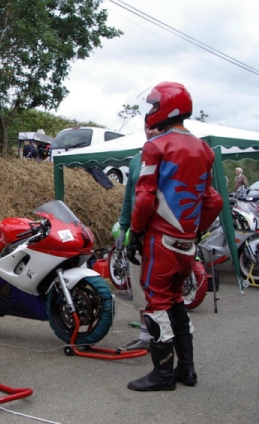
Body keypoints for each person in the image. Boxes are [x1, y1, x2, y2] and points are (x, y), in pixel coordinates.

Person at [127, 82, 223, 392]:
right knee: (176, 300)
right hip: (187, 243)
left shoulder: (155, 146)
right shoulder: (204, 149)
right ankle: (187, 371)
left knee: (156, 302)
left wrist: (136, 233)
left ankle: (163, 374)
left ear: (165, 108)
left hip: (160, 239)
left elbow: (143, 198)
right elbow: (214, 200)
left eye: (154, 105)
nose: (150, 111)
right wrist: (194, 231)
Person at [116, 123, 163, 351]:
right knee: (139, 283)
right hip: (138, 235)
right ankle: (145, 335)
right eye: (148, 127)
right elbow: (129, 199)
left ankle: (162, 337)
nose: (151, 131)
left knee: (162, 289)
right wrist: (124, 228)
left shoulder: (170, 157)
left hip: (162, 234)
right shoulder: (136, 160)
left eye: (156, 127)